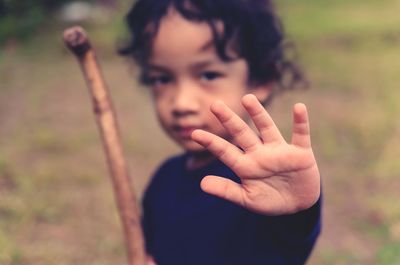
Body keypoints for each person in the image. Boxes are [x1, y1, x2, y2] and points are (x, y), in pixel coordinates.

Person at [119, 0, 321, 264]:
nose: (182, 103)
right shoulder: (163, 181)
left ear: (262, 79)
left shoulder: (270, 179)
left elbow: (294, 232)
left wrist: (299, 209)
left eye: (208, 75)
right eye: (162, 78)